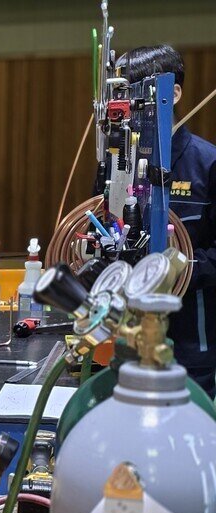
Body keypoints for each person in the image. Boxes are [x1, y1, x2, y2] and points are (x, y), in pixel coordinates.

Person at [118, 45, 216, 395]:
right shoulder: (118, 165)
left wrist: (174, 269)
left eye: (140, 92)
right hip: (124, 336)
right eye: (124, 93)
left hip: (191, 341)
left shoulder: (208, 164)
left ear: (173, 93)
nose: (131, 104)